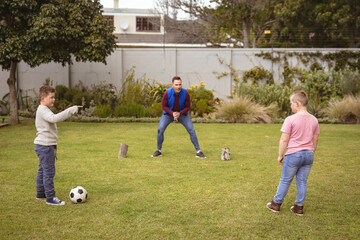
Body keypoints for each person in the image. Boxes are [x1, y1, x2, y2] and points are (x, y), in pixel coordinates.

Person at [267, 90, 319, 216]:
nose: (290, 106)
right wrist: (311, 151)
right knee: (302, 181)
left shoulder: (290, 119)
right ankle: (298, 207)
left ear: (297, 103)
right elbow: (315, 138)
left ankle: (276, 204)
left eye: (291, 103)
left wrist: (280, 155)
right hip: (308, 155)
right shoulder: (314, 120)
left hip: (294, 155)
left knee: (285, 180)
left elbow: (284, 139)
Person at [34, 86, 82, 205]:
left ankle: (40, 193)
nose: (54, 99)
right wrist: (71, 110)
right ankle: (50, 198)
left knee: (42, 170)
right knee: (48, 172)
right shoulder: (43, 110)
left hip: (42, 145)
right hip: (45, 146)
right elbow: (54, 118)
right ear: (43, 98)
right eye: (51, 97)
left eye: (54, 97)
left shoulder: (42, 109)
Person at [151, 76, 206, 158]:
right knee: (160, 129)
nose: (178, 87)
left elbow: (188, 107)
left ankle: (198, 151)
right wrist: (172, 113)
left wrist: (180, 113)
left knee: (191, 130)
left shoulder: (185, 93)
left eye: (180, 84)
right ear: (172, 85)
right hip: (168, 114)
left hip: (182, 114)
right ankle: (158, 150)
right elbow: (164, 106)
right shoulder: (167, 93)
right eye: (176, 85)